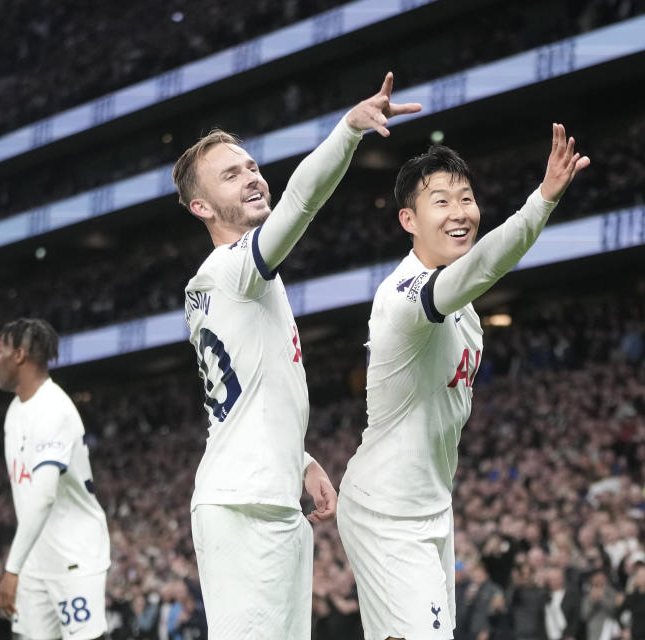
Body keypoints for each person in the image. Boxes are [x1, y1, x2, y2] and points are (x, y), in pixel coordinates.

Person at [172, 72, 421, 638]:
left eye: (252, 166)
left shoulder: (242, 279)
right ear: (201, 207)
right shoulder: (232, 267)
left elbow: (248, 394)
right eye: (230, 175)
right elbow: (302, 202)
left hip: (267, 494)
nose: (253, 178)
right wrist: (348, 130)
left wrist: (300, 459)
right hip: (242, 505)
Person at [337, 124, 590, 640]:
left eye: (467, 198)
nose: (460, 212)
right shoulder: (403, 295)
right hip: (387, 508)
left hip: (431, 506)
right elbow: (479, 268)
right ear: (409, 219)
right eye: (441, 201)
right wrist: (540, 202)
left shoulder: (466, 311)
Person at [0, 318, 111, 640]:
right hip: (35, 559)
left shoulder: (53, 409)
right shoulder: (15, 410)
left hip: (73, 558)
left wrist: (11, 568)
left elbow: (43, 496)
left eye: (0, 351)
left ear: (19, 355)